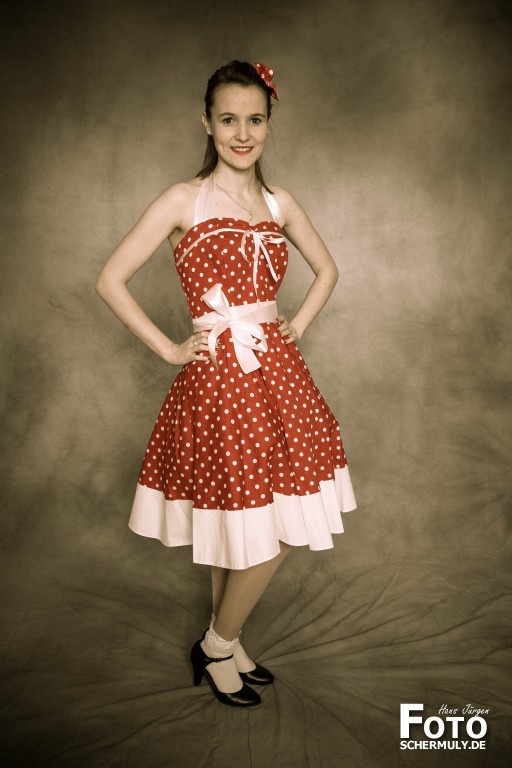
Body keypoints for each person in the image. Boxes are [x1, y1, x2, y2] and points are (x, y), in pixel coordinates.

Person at [95, 60, 357, 708]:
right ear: (207, 123)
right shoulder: (183, 199)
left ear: (269, 122)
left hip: (278, 373)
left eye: (255, 119)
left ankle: (223, 641)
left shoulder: (279, 202)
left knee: (274, 516)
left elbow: (327, 269)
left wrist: (295, 323)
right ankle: (220, 644)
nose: (243, 134)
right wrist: (169, 348)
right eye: (229, 119)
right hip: (217, 382)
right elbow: (110, 279)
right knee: (237, 515)